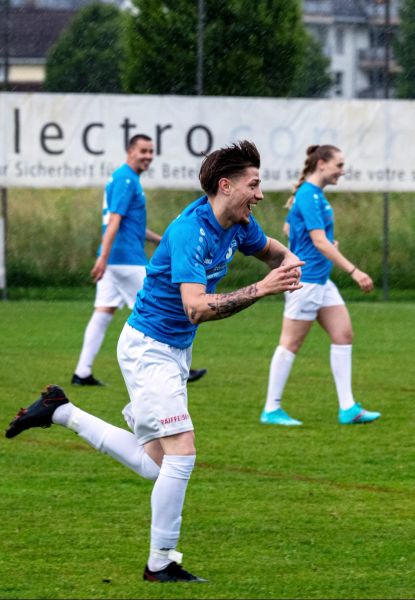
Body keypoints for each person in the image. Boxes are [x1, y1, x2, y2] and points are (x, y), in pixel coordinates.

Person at [6, 140, 303, 582]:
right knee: (183, 453)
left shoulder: (239, 223)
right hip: (149, 350)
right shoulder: (190, 231)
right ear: (226, 185)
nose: (260, 194)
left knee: (157, 465)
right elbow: (196, 308)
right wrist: (262, 288)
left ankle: (61, 411)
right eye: (254, 184)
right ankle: (160, 562)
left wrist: (288, 259)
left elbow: (268, 248)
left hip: (172, 351)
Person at [72, 134, 207, 387]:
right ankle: (178, 367)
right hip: (125, 258)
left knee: (103, 312)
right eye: (143, 151)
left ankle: (82, 372)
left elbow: (129, 224)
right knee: (165, 306)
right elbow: (114, 221)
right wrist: (102, 256)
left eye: (151, 151)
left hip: (115, 258)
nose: (147, 156)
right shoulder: (126, 179)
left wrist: (159, 240)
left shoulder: (124, 177)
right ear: (130, 151)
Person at [260, 144, 380, 426]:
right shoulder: (309, 195)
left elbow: (291, 230)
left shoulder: (313, 196)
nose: (342, 170)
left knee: (343, 334)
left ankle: (348, 408)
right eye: (339, 164)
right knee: (290, 342)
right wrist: (354, 271)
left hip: (321, 280)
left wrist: (320, 243)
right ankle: (271, 408)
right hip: (307, 281)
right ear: (322, 164)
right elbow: (318, 241)